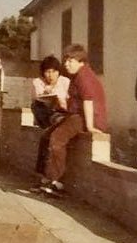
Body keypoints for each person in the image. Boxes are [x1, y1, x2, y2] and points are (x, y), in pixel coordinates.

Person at [37, 44, 107, 196]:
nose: (66, 64)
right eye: (66, 61)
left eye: (70, 61)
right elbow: (75, 101)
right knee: (46, 135)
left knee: (57, 139)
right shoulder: (77, 76)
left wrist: (90, 126)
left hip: (86, 117)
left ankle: (56, 182)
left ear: (81, 61)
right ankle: (44, 178)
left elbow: (88, 101)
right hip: (76, 115)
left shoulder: (84, 76)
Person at [31, 55, 70, 129]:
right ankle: (54, 121)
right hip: (45, 114)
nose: (51, 75)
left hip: (62, 111)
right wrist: (46, 92)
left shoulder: (65, 81)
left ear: (58, 72)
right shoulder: (37, 82)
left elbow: (69, 99)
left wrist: (61, 102)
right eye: (48, 72)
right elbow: (37, 98)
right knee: (37, 105)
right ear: (43, 73)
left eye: (54, 71)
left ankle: (58, 119)